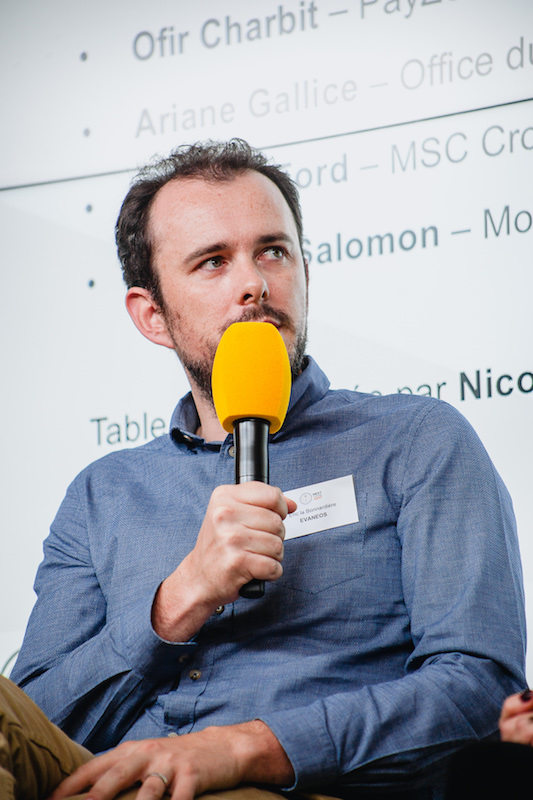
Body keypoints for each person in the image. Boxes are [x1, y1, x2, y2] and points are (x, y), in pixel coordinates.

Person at [7, 139, 526, 800]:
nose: (254, 282)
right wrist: (178, 600)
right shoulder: (101, 494)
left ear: (305, 273)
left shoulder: (417, 440)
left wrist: (245, 748)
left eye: (273, 251)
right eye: (213, 261)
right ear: (152, 315)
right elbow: (36, 720)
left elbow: (479, 690)